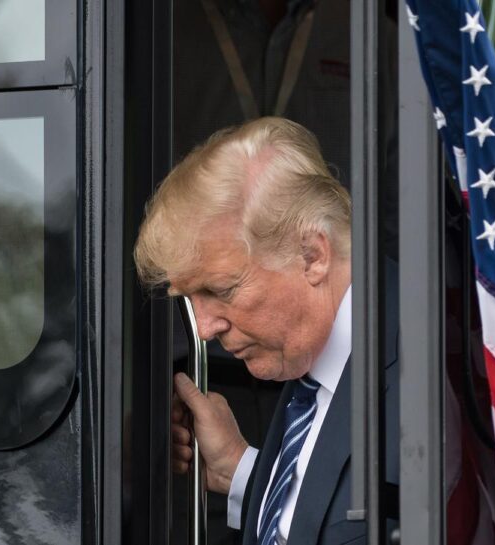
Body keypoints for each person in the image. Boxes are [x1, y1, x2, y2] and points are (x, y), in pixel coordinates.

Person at [134, 117, 396, 544]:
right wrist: (238, 469)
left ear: (312, 255)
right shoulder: (307, 359)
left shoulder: (424, 377)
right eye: (191, 299)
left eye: (221, 290)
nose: (204, 330)